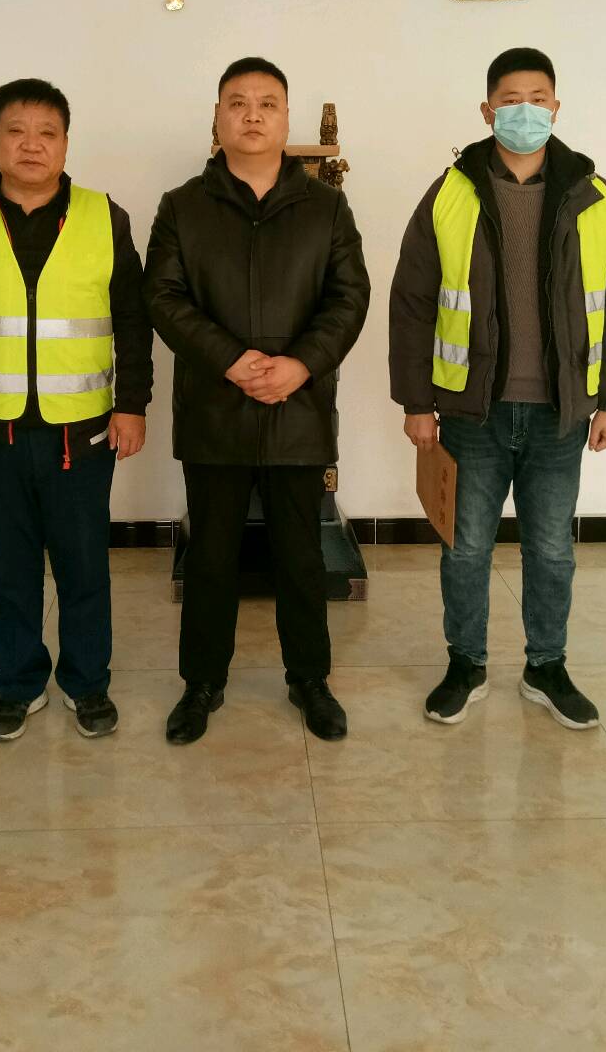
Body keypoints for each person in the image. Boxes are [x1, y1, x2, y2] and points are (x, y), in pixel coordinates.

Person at [389, 48, 606, 730]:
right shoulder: (451, 193)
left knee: (552, 550)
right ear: (487, 111)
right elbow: (412, 302)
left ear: (556, 108)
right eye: (509, 100)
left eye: (537, 99)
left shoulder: (594, 196)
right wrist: (416, 402)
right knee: (466, 547)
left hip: (562, 412)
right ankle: (465, 664)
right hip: (473, 411)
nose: (523, 110)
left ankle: (546, 667)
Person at [0, 78, 153, 743]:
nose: (32, 145)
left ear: (66, 143)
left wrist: (133, 404)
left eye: (48, 133)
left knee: (84, 565)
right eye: (16, 131)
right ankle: (17, 686)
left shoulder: (104, 216)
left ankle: (87, 683)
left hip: (82, 432)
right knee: (7, 568)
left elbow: (133, 319)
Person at [143, 57, 369, 744]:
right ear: (217, 118)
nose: (251, 115)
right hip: (215, 411)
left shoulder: (326, 207)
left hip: (298, 410)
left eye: (267, 103)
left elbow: (349, 297)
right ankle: (200, 683)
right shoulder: (183, 206)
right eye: (237, 102)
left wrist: (300, 365)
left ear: (286, 118)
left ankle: (310, 680)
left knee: (300, 557)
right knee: (211, 556)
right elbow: (163, 297)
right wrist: (229, 360)